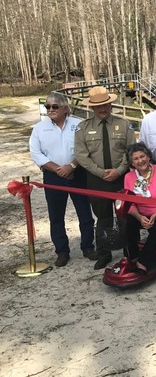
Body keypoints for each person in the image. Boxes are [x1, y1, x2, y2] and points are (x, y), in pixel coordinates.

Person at [29, 92, 96, 267]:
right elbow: (36, 153)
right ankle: (62, 251)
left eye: (55, 106)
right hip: (53, 176)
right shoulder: (39, 128)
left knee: (85, 213)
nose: (50, 109)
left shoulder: (79, 125)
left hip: (77, 173)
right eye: (47, 106)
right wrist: (58, 170)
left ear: (65, 108)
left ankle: (88, 247)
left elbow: (87, 149)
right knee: (56, 216)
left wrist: (72, 166)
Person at [75, 86, 136, 270]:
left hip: (121, 178)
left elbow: (131, 150)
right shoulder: (83, 128)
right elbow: (81, 156)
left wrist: (119, 170)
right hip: (96, 179)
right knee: (103, 218)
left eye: (105, 105)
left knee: (125, 216)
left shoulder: (124, 125)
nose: (102, 109)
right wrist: (101, 173)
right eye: (98, 106)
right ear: (92, 107)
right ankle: (103, 253)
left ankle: (129, 251)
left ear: (111, 105)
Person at [123, 142, 156, 274]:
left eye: (142, 156)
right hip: (141, 213)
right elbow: (129, 203)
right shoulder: (129, 177)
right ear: (132, 163)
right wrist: (139, 217)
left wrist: (155, 215)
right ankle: (133, 257)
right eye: (136, 159)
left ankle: (142, 262)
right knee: (128, 221)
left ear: (148, 156)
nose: (140, 161)